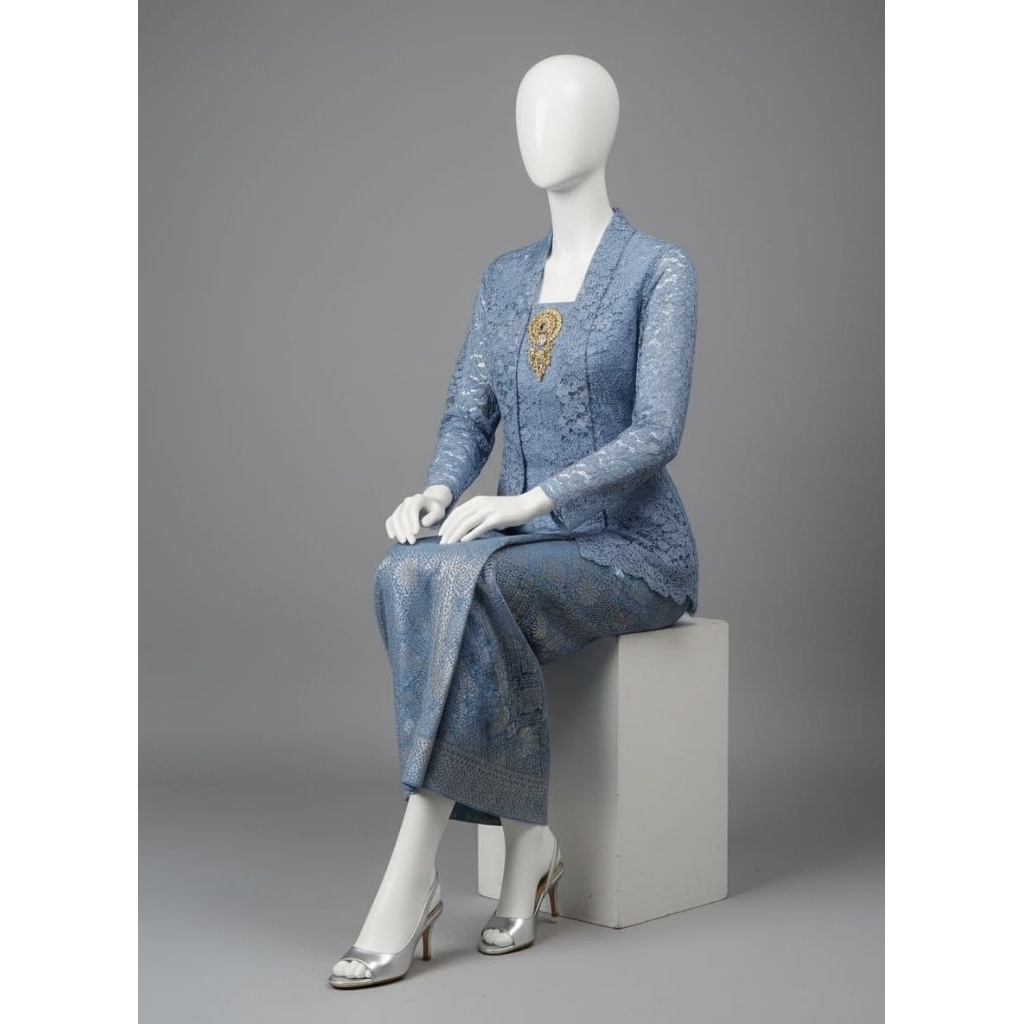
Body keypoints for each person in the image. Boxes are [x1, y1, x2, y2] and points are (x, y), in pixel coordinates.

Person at [329, 54, 698, 988]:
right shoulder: (504, 280)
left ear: (606, 129)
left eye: (563, 111)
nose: (541, 130)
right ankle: (528, 840)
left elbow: (657, 432)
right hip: (526, 541)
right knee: (404, 568)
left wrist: (534, 499)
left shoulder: (658, 269)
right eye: (528, 110)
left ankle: (412, 873)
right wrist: (437, 491)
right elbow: (469, 412)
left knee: (478, 582)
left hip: (628, 547)